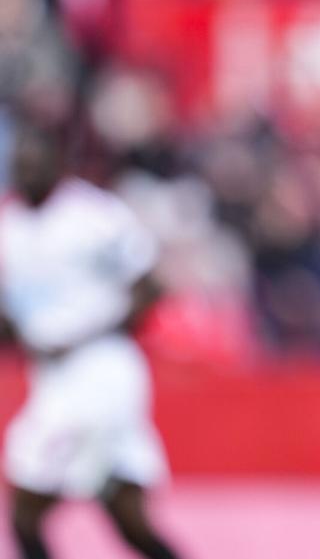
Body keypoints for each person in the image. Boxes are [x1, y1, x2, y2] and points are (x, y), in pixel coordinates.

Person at [0, 121, 181, 559]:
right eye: (19, 166)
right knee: (127, 519)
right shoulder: (9, 225)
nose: (27, 174)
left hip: (102, 372)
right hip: (53, 377)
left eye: (35, 164)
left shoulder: (96, 216)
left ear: (59, 163)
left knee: (26, 505)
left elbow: (150, 288)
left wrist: (81, 338)